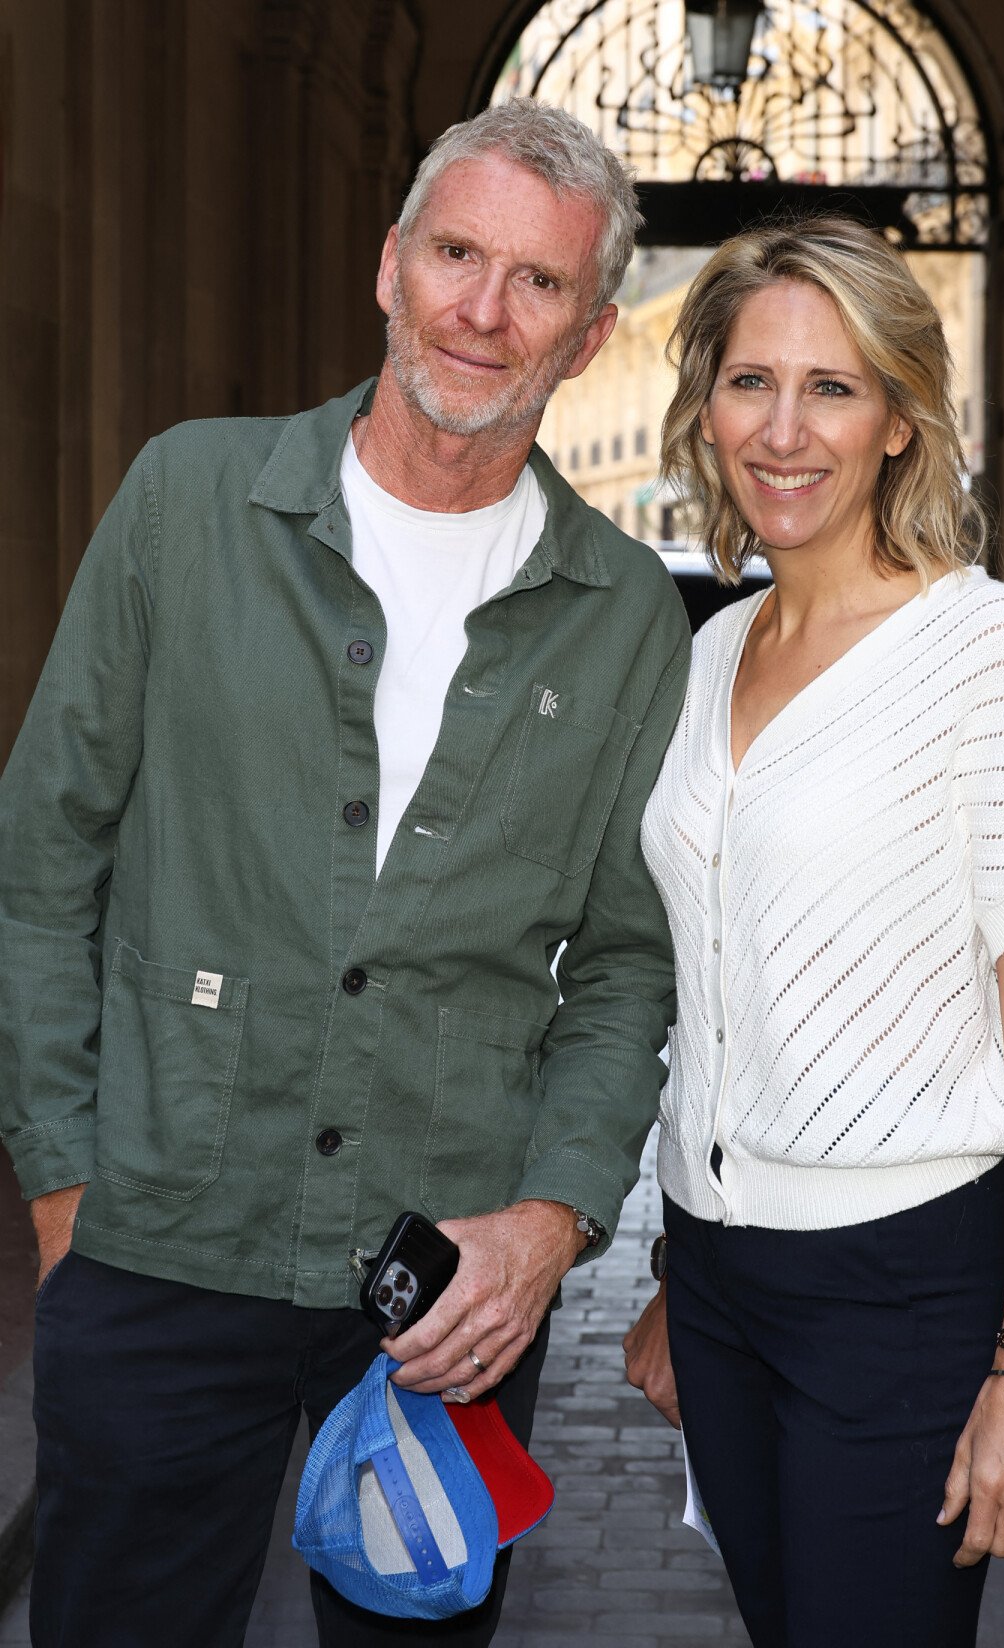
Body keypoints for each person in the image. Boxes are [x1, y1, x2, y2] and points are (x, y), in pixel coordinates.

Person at [0, 99, 690, 1648]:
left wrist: (556, 1219)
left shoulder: (627, 612)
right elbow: (43, 861)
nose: (481, 310)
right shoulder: (190, 503)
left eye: (539, 283)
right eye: (456, 253)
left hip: (444, 1297)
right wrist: (63, 1186)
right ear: (389, 266)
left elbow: (629, 963)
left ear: (586, 340)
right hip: (160, 1240)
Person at [623, 215, 1004, 1647]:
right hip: (717, 1289)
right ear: (705, 408)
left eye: (832, 388)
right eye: (749, 383)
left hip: (903, 1290)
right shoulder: (711, 651)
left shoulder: (998, 653)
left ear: (900, 418)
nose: (784, 431)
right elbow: (710, 980)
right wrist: (673, 1267)